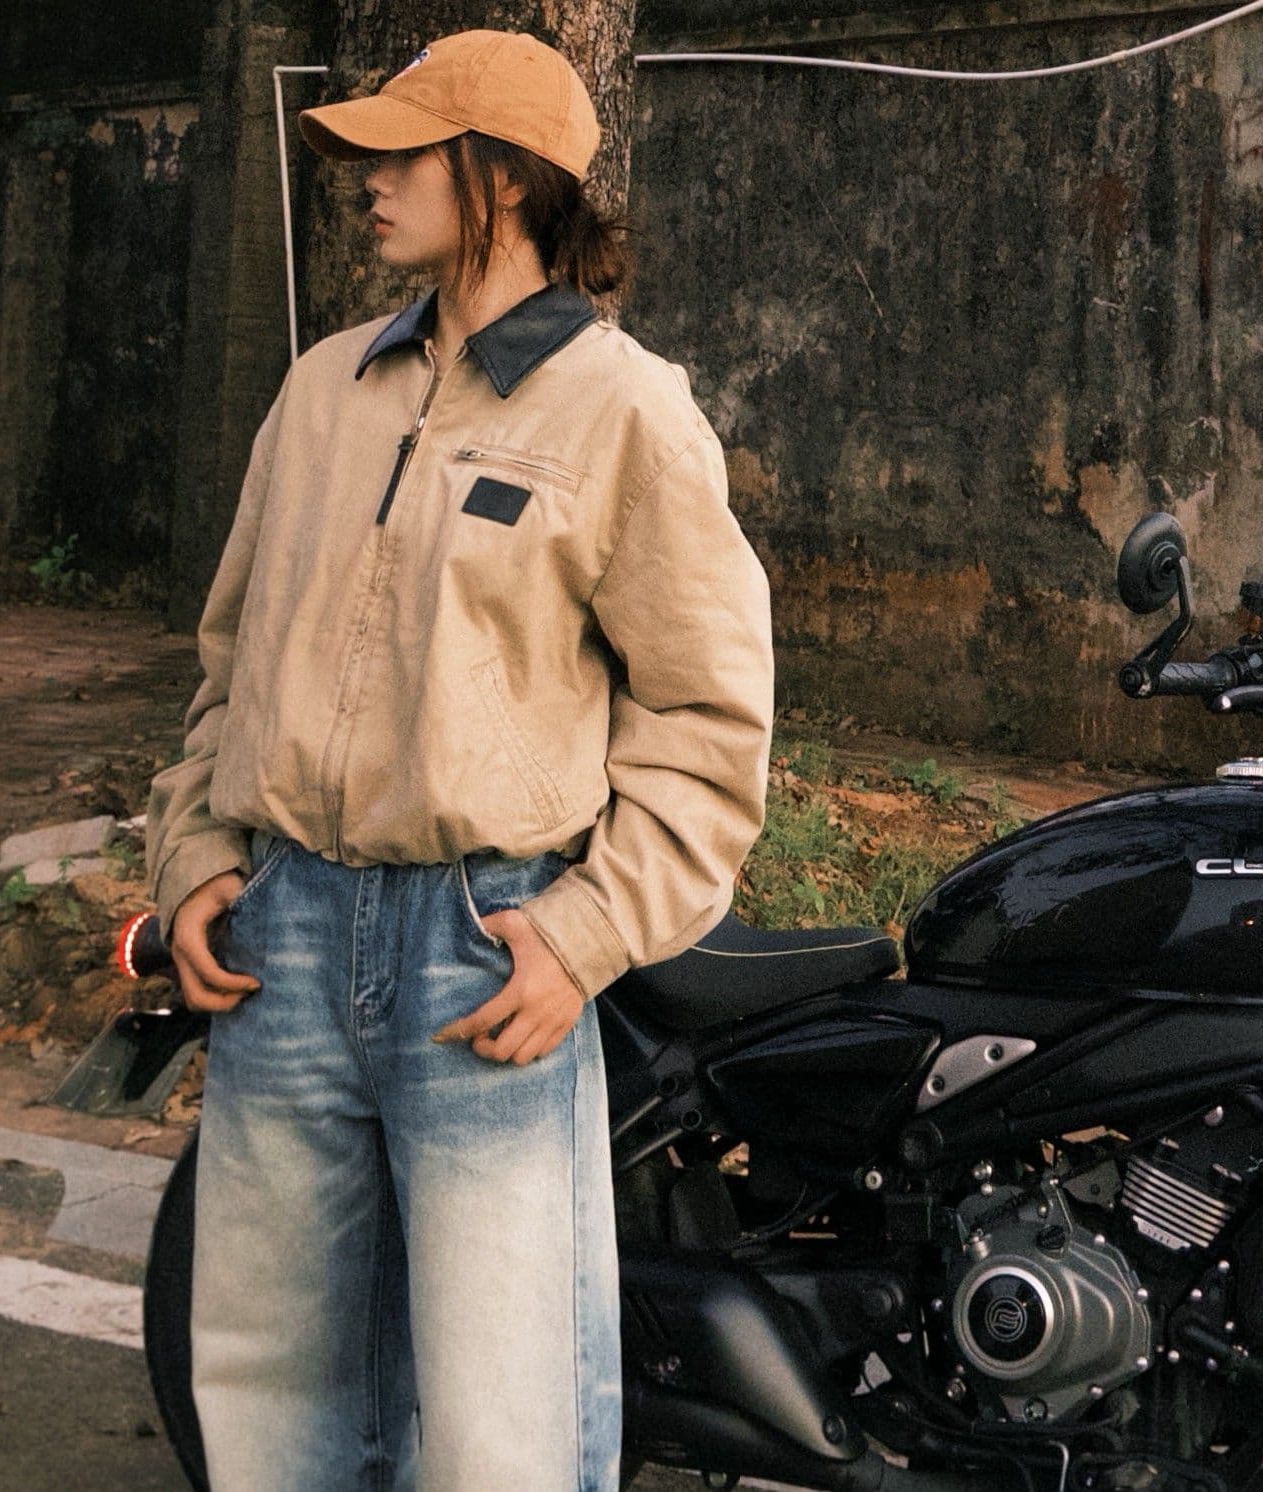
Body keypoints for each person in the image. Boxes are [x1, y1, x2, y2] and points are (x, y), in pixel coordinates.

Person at [143, 29, 775, 1490]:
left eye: (403, 152)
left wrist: (583, 933)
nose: (365, 180)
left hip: (480, 953)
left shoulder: (624, 410)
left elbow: (705, 722)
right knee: (269, 1382)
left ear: (502, 180)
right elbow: (230, 666)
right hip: (279, 938)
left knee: (505, 1411)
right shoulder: (320, 392)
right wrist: (192, 863)